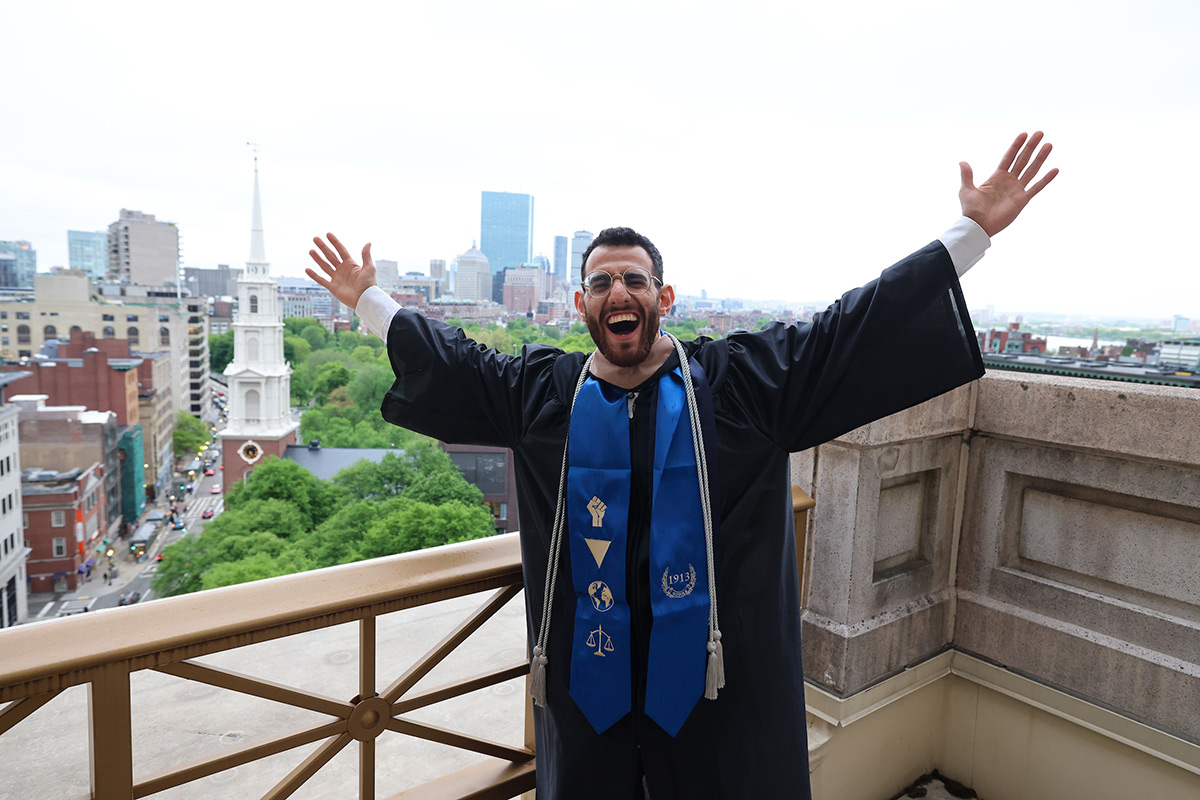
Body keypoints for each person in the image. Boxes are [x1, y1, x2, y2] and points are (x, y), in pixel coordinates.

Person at [307, 132, 1057, 799]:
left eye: (633, 279)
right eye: (601, 282)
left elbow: (852, 330)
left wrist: (971, 233)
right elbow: (453, 363)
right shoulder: (545, 397)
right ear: (581, 304)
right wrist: (366, 298)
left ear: (662, 296)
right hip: (592, 692)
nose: (618, 292)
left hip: (714, 691)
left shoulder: (738, 387)